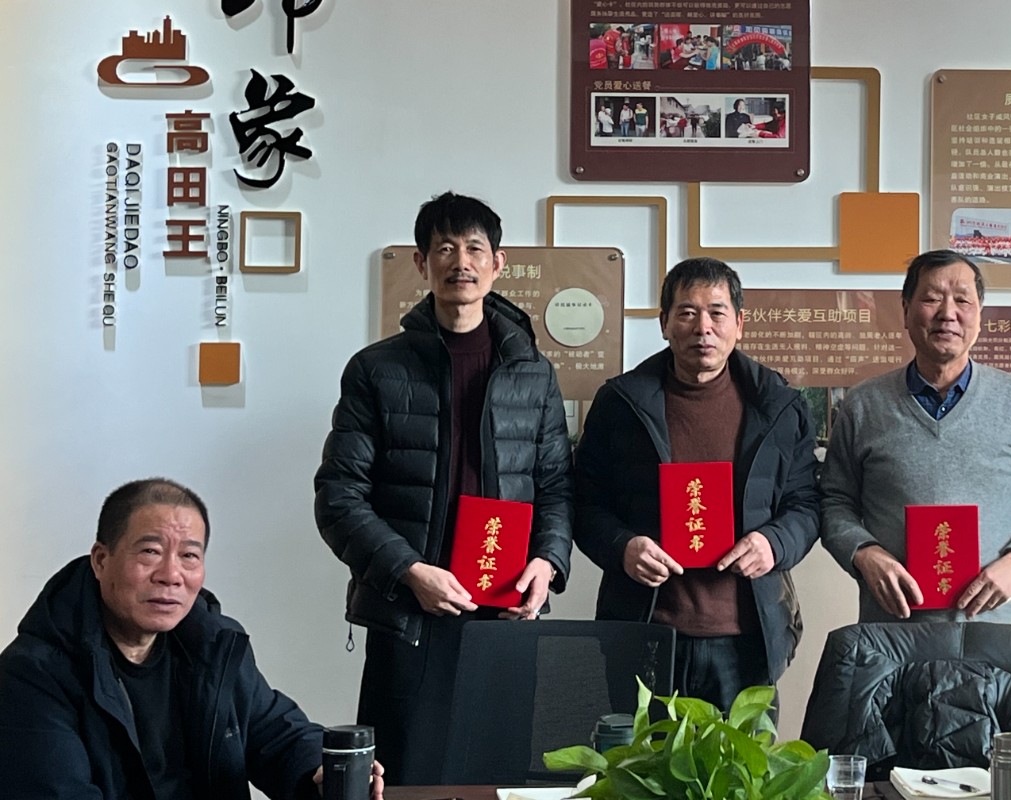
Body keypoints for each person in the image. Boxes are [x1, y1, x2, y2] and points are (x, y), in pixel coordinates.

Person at [316, 193, 573, 784]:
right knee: (405, 775)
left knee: (500, 775)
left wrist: (548, 562)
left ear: (498, 264)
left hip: (507, 612)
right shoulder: (377, 369)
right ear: (421, 262)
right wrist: (409, 572)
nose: (461, 261)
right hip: (411, 614)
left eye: (475, 248)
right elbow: (338, 495)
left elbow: (557, 486)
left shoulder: (533, 373)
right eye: (445, 248)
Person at [0, 478, 383, 799]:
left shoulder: (211, 647)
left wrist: (319, 772)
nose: (171, 575)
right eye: (150, 551)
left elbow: (277, 734)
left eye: (189, 556)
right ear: (101, 560)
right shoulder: (33, 674)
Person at [573, 257, 820, 713]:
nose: (702, 327)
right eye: (687, 312)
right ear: (664, 323)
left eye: (716, 312)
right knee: (641, 758)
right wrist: (622, 547)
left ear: (739, 324)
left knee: (746, 761)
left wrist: (774, 543)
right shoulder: (621, 404)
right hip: (646, 632)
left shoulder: (779, 406)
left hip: (746, 639)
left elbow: (806, 503)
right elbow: (585, 503)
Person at [821, 250, 1011, 624]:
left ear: (980, 315)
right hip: (892, 631)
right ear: (906, 310)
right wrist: (864, 553)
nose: (948, 313)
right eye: (931, 298)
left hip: (993, 629)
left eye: (963, 300)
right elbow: (834, 501)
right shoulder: (863, 404)